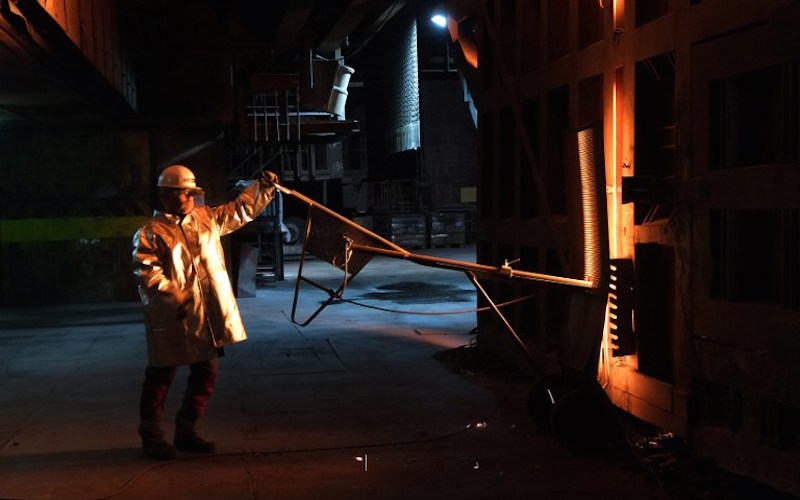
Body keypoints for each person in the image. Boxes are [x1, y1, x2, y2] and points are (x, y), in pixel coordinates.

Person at [132, 164, 278, 460]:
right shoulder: (150, 233)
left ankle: (186, 431)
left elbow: (240, 210)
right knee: (160, 376)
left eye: (189, 193)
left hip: (204, 317)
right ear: (166, 196)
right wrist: (175, 294)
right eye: (180, 193)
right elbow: (147, 272)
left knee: (206, 373)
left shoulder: (206, 219)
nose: (186, 198)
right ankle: (151, 437)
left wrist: (262, 188)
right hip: (172, 317)